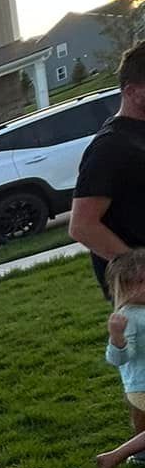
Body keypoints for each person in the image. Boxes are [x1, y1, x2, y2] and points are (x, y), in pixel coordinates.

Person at [70, 40, 145, 295]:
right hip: (138, 294)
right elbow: (82, 225)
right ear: (132, 91)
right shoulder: (110, 146)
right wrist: (139, 270)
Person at [96, 248, 145, 468]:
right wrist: (117, 338)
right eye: (140, 281)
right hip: (141, 386)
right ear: (124, 286)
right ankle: (113, 457)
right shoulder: (128, 317)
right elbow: (117, 359)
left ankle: (116, 457)